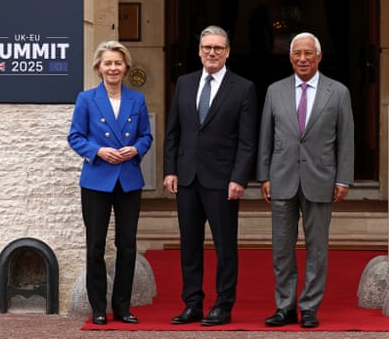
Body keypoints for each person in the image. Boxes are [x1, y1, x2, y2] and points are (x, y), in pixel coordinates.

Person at [257, 32, 354, 328]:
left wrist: (344, 179)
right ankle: (285, 306)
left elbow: (346, 139)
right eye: (297, 53)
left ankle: (309, 307)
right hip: (282, 178)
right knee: (281, 248)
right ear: (290, 57)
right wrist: (264, 175)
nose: (302, 58)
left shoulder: (337, 92)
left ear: (319, 56)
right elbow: (265, 136)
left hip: (321, 179)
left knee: (317, 248)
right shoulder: (275, 90)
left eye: (308, 53)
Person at [163, 25, 258, 326]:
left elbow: (247, 140)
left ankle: (223, 304)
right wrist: (170, 170)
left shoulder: (243, 88)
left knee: (224, 247)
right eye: (207, 48)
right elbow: (173, 131)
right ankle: (192, 304)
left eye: (218, 48)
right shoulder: (185, 83)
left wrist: (239, 178)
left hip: (222, 181)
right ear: (200, 51)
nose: (212, 53)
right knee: (189, 245)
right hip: (187, 178)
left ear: (228, 51)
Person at [68, 40, 153, 325]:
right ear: (98, 67)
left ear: (126, 67)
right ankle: (99, 308)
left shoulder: (136, 100)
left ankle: (123, 306)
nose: (113, 68)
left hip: (128, 179)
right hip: (97, 179)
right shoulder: (86, 99)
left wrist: (136, 149)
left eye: (118, 63)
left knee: (127, 245)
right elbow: (75, 137)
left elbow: (146, 136)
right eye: (108, 63)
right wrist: (98, 151)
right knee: (95, 246)